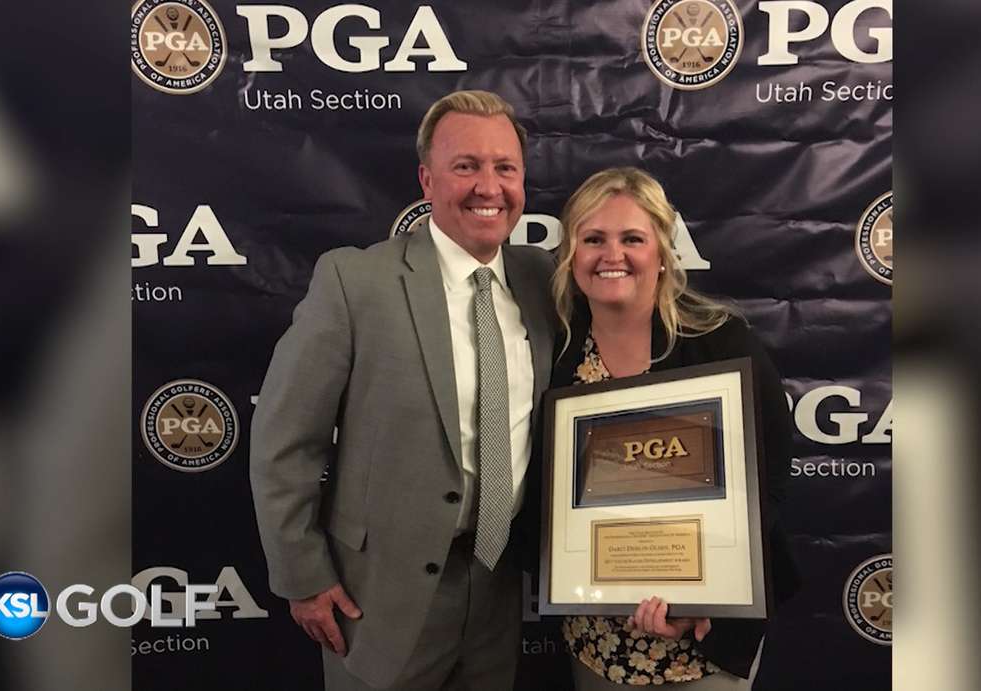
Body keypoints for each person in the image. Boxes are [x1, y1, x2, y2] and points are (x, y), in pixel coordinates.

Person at [249, 90, 556, 691]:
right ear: (426, 179)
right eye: (465, 165)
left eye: (505, 167)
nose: (488, 186)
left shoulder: (543, 279)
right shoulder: (354, 280)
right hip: (376, 598)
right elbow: (286, 442)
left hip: (497, 585)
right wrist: (304, 577)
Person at [547, 168, 799, 689]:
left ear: (662, 253)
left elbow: (769, 476)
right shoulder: (555, 355)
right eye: (592, 239)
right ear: (572, 258)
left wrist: (705, 596)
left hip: (703, 638)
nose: (611, 255)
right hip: (595, 635)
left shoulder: (722, 344)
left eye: (632, 239)